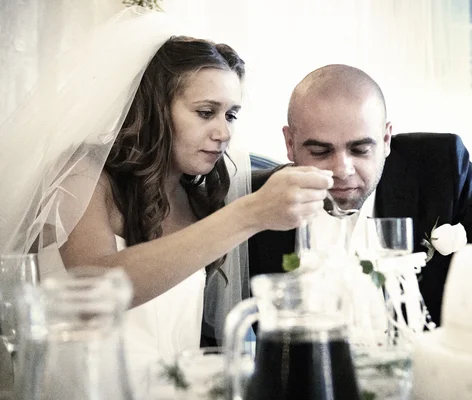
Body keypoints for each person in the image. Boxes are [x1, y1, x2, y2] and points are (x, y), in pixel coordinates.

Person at [0, 7, 331, 387]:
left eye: (231, 115)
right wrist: (248, 215)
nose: (223, 132)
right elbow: (91, 292)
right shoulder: (83, 173)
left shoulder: (198, 195)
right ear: (155, 108)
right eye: (206, 112)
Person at [249, 64, 472, 327]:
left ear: (385, 139)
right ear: (290, 144)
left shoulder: (442, 169)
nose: (342, 170)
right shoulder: (252, 201)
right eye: (320, 152)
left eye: (360, 150)